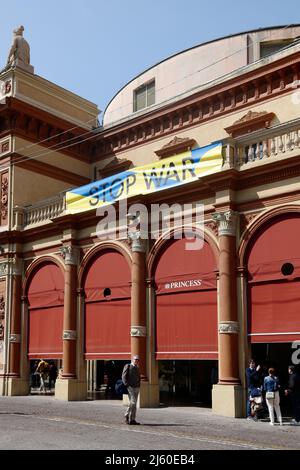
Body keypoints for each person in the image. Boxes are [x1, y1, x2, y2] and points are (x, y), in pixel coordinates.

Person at [122, 355, 141, 425]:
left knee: (134, 404)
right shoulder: (128, 366)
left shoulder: (138, 367)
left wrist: (139, 385)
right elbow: (123, 376)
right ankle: (126, 414)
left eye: (138, 360)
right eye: (136, 359)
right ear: (133, 360)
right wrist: (126, 384)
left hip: (137, 387)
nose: (137, 361)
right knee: (133, 402)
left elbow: (138, 377)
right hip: (130, 387)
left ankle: (132, 419)